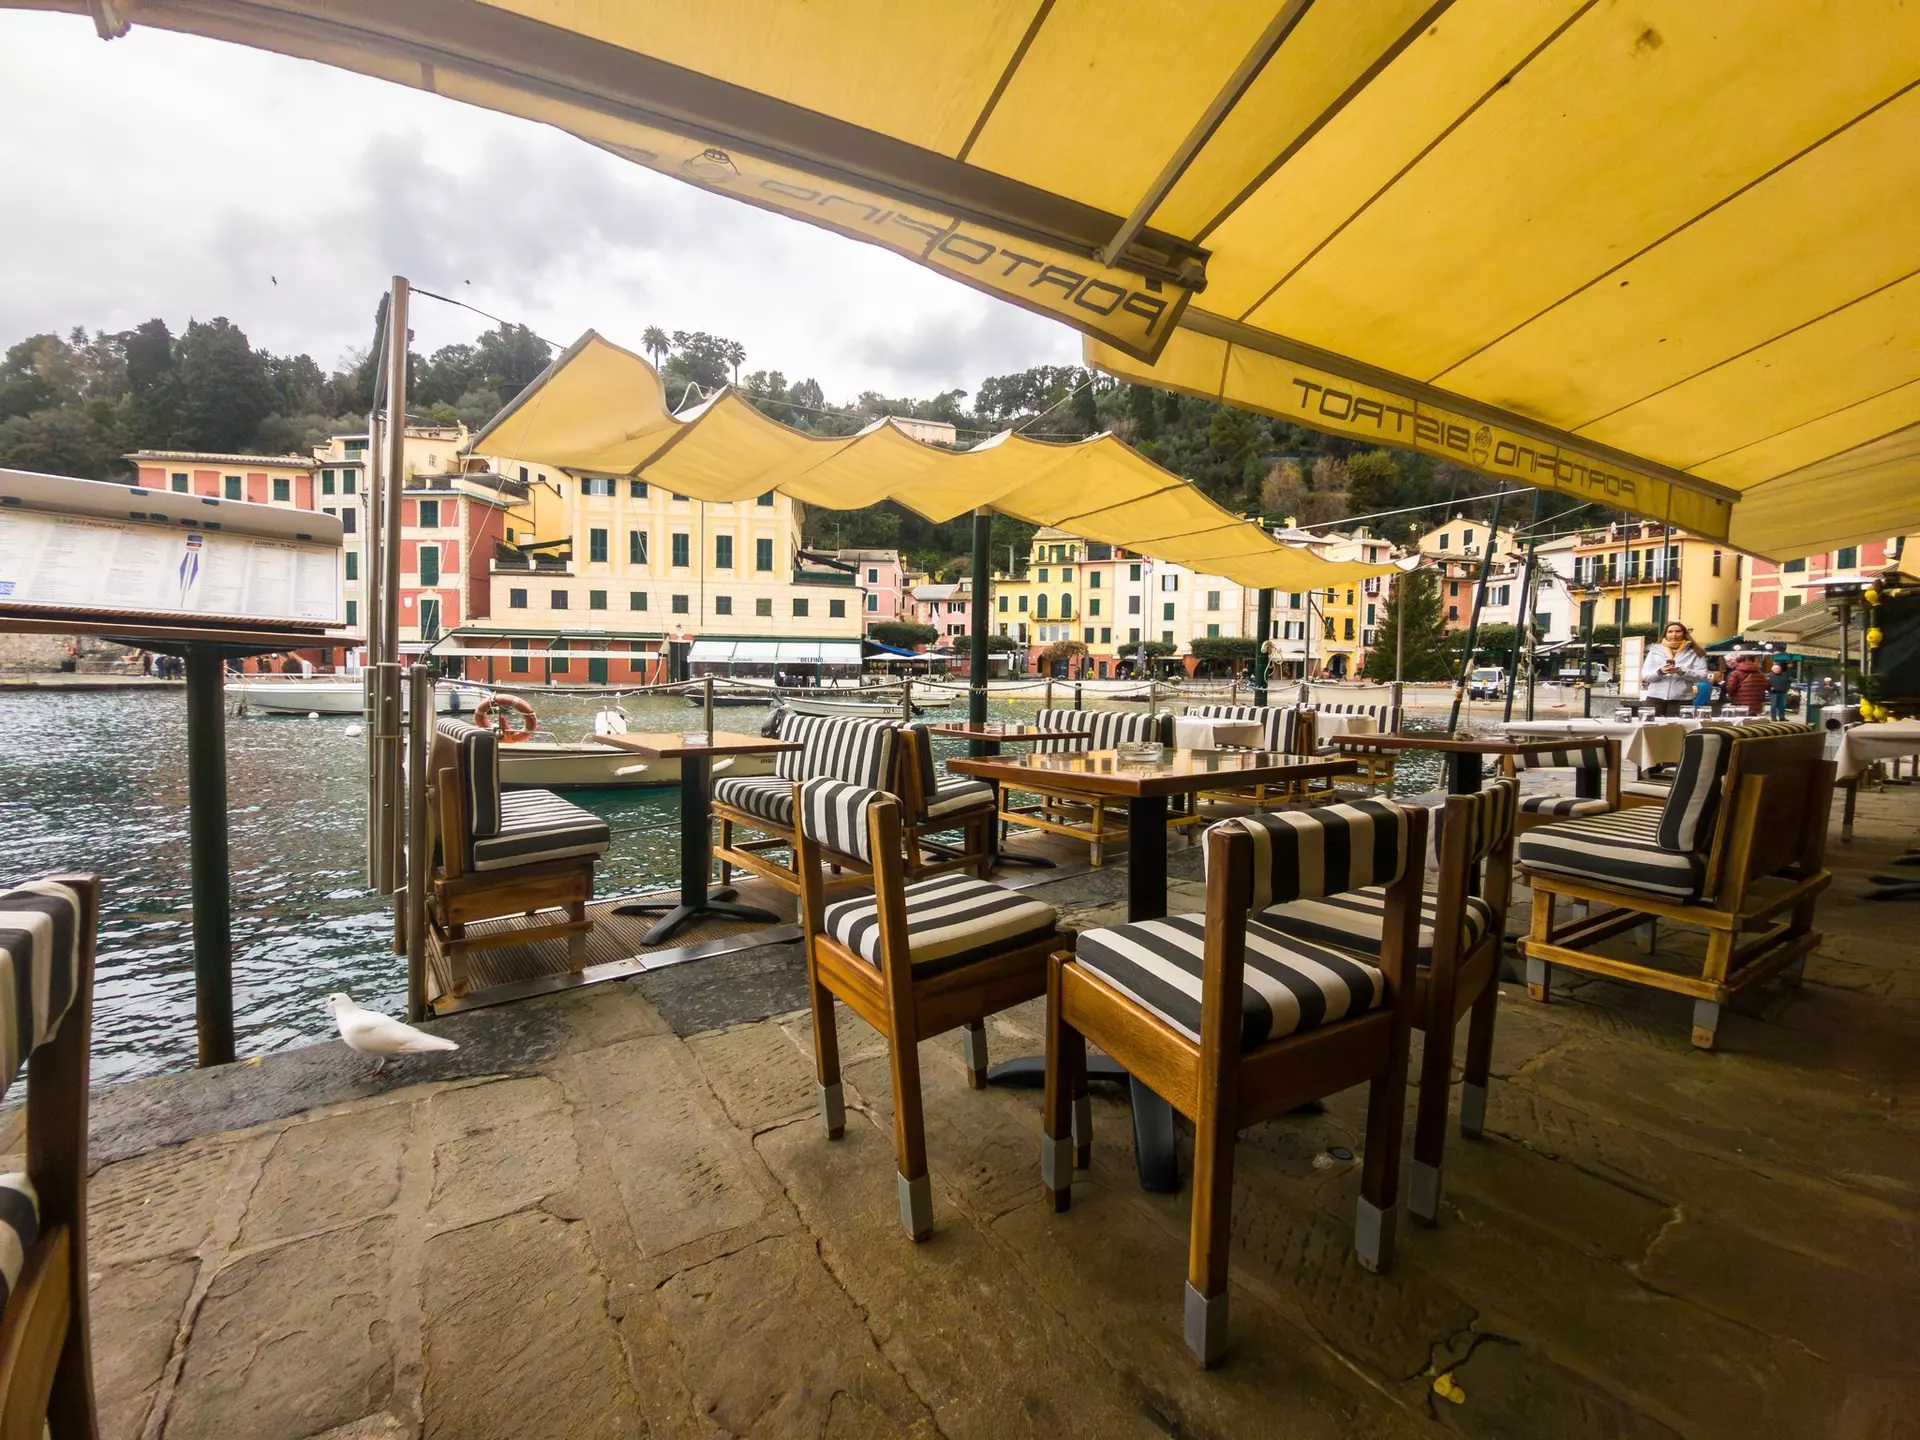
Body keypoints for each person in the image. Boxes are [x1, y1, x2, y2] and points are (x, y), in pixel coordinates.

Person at [1640, 622, 1709, 717]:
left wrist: (1682, 671)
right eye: (1670, 631)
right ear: (1665, 634)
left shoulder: (1695, 652)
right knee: (1651, 728)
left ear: (1684, 633)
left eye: (1678, 631)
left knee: (1677, 729)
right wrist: (1660, 672)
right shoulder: (1655, 651)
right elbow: (1645, 676)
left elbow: (1703, 676)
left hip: (1682, 699)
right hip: (1655, 699)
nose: (1674, 634)